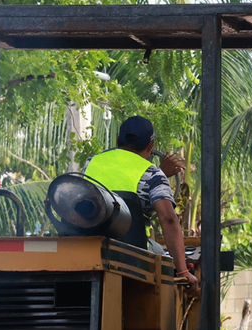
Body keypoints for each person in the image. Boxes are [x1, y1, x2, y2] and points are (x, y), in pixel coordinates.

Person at [84, 116, 197, 285]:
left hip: (89, 246)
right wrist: (183, 271)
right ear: (151, 146)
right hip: (132, 252)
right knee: (163, 258)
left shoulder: (92, 163)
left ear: (118, 140)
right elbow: (168, 219)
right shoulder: (152, 175)